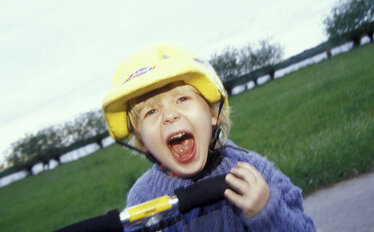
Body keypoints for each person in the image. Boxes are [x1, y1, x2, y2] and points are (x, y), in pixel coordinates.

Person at [102, 44, 316, 231]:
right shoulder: (142, 199)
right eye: (151, 112)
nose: (169, 115)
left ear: (212, 115)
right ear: (142, 143)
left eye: (182, 99)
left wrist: (265, 211)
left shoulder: (252, 170)